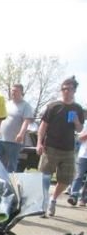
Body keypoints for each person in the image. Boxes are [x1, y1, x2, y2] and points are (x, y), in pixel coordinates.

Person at [38, 76, 85, 216]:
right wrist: (39, 143)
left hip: (68, 149)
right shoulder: (53, 106)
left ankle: (53, 199)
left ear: (74, 91)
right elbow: (43, 126)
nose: (66, 91)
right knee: (45, 176)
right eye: (64, 89)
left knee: (66, 179)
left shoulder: (78, 108)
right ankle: (44, 203)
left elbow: (79, 129)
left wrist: (76, 121)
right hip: (50, 146)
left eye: (69, 89)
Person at [0, 84, 34, 172]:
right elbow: (0, 119)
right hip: (0, 139)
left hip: (14, 142)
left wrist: (21, 134)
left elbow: (26, 121)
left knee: (11, 165)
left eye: (15, 91)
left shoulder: (26, 106)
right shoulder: (7, 104)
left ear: (21, 92)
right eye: (12, 90)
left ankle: (10, 180)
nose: (13, 92)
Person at [67, 125, 87, 206]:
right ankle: (73, 196)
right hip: (83, 155)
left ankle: (84, 199)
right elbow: (79, 138)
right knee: (79, 176)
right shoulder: (86, 124)